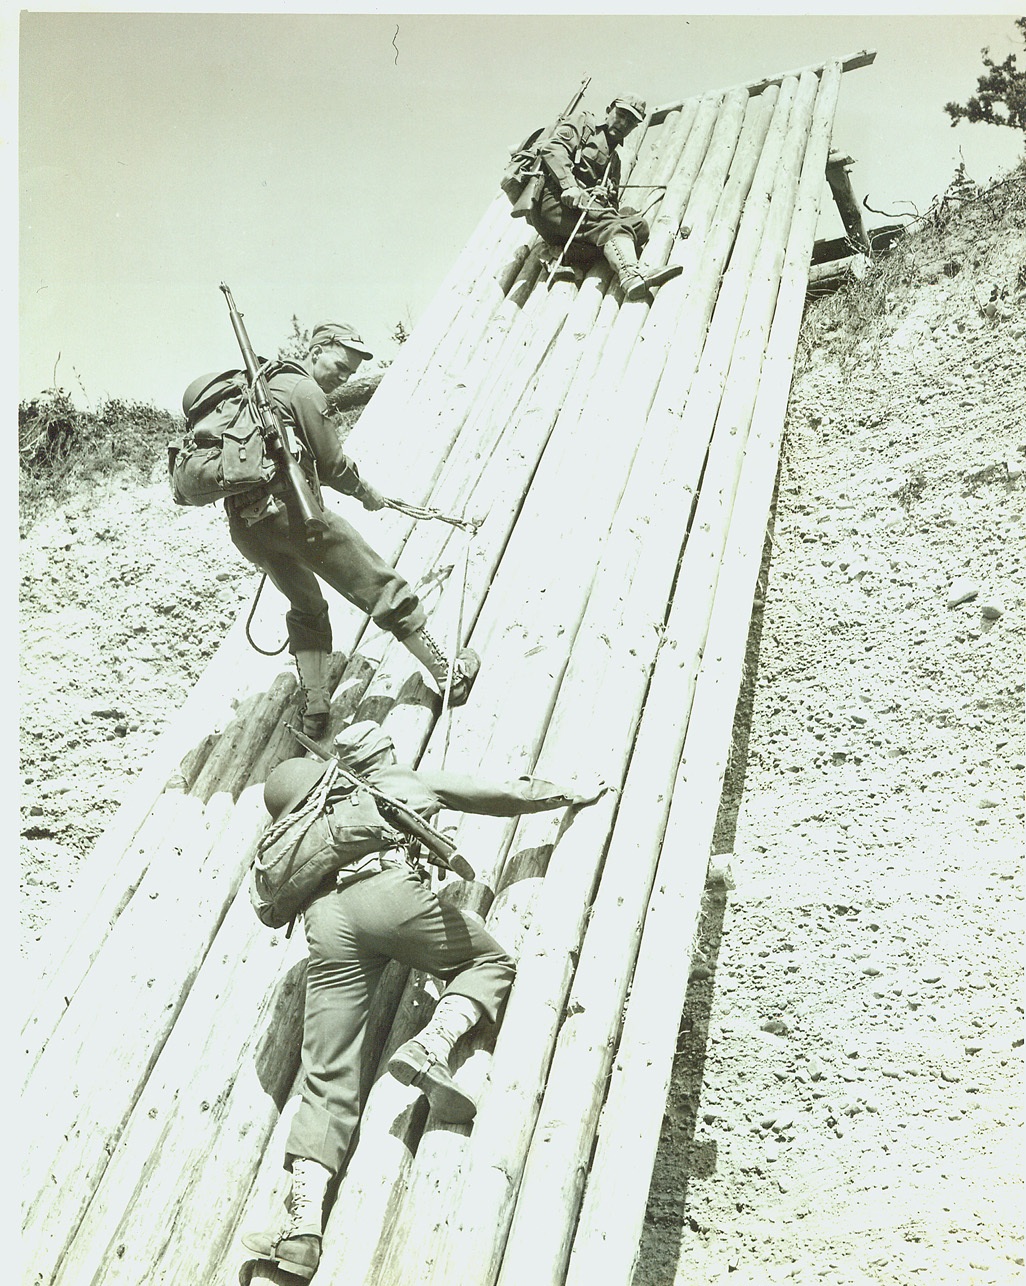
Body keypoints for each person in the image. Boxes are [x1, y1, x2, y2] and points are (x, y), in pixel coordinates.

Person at [241, 719, 608, 1280]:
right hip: (390, 896)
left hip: (327, 926)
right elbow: (496, 793)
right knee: (489, 961)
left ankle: (301, 1230)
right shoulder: (388, 783)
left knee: (327, 1074)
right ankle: (434, 1043)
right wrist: (566, 792)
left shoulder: (311, 824)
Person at [181, 322, 479, 743]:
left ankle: (316, 710)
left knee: (306, 607)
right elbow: (333, 463)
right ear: (317, 349)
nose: (344, 378)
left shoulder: (259, 390)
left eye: (351, 374)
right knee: (380, 586)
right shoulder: (302, 390)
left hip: (249, 529)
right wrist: (365, 492)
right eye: (341, 366)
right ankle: (448, 675)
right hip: (296, 517)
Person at [528, 94, 683, 301]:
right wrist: (570, 186)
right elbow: (553, 149)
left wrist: (605, 197)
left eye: (630, 122)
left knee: (639, 227)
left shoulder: (615, 160)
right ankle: (630, 275)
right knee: (611, 225)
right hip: (553, 203)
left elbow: (611, 205)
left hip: (583, 215)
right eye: (620, 115)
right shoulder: (583, 124)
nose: (623, 124)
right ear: (608, 110)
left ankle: (559, 253)